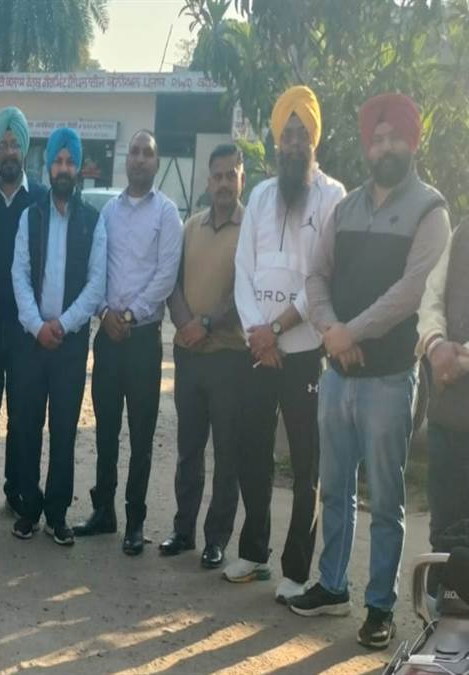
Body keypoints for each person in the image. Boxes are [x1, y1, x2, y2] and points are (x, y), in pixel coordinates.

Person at [293, 93, 451, 651]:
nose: (385, 147)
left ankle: (380, 605)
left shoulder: (431, 211)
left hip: (388, 379)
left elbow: (412, 291)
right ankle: (332, 585)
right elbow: (316, 276)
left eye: (394, 138)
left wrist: (349, 333)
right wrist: (331, 330)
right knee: (334, 490)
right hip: (337, 375)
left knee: (385, 501)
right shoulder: (347, 208)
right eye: (376, 139)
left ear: (412, 142)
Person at [228, 86, 346, 594]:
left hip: (302, 353)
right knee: (251, 453)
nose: (294, 143)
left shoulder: (333, 196)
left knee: (305, 465)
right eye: (288, 134)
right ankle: (254, 554)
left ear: (314, 139)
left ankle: (296, 571)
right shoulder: (259, 195)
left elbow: (322, 278)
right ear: (277, 140)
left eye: (303, 134)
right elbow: (243, 271)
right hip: (258, 351)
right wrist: (258, 333)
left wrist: (276, 330)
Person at [75, 130, 182, 556]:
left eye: (147, 153)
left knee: (141, 435)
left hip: (142, 341)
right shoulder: (110, 213)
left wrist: (131, 315)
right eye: (134, 152)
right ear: (126, 160)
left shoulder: (167, 214)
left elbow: (166, 275)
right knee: (105, 430)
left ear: (156, 162)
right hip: (107, 337)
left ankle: (135, 521)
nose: (139, 159)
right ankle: (103, 511)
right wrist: (104, 312)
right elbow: (95, 268)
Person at [9, 128, 107, 543]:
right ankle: (28, 509)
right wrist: (37, 326)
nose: (63, 168)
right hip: (32, 342)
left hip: (69, 344)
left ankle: (57, 513)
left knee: (64, 429)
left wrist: (62, 325)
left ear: (78, 168)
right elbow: (19, 275)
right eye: (58, 161)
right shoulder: (31, 216)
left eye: (70, 161)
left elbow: (96, 284)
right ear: (48, 166)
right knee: (27, 425)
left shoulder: (92, 221)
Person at [160, 144, 247, 569]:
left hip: (229, 357)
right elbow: (172, 283)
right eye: (218, 176)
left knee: (227, 452)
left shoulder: (251, 229)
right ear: (208, 181)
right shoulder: (191, 227)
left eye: (231, 175)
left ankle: (217, 539)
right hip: (189, 354)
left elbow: (246, 292)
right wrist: (184, 324)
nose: (224, 183)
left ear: (241, 179)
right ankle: (183, 530)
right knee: (189, 448)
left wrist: (207, 324)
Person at [0, 107, 48, 516]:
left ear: (24, 149)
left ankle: (16, 488)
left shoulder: (38, 199)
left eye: (14, 144)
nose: (8, 151)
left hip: (25, 329)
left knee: (21, 414)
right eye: (2, 145)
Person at [418, 218, 469, 553]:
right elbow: (432, 296)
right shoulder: (463, 231)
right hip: (449, 415)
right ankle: (442, 586)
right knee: (445, 532)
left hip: (451, 374)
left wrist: (460, 360)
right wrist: (435, 344)